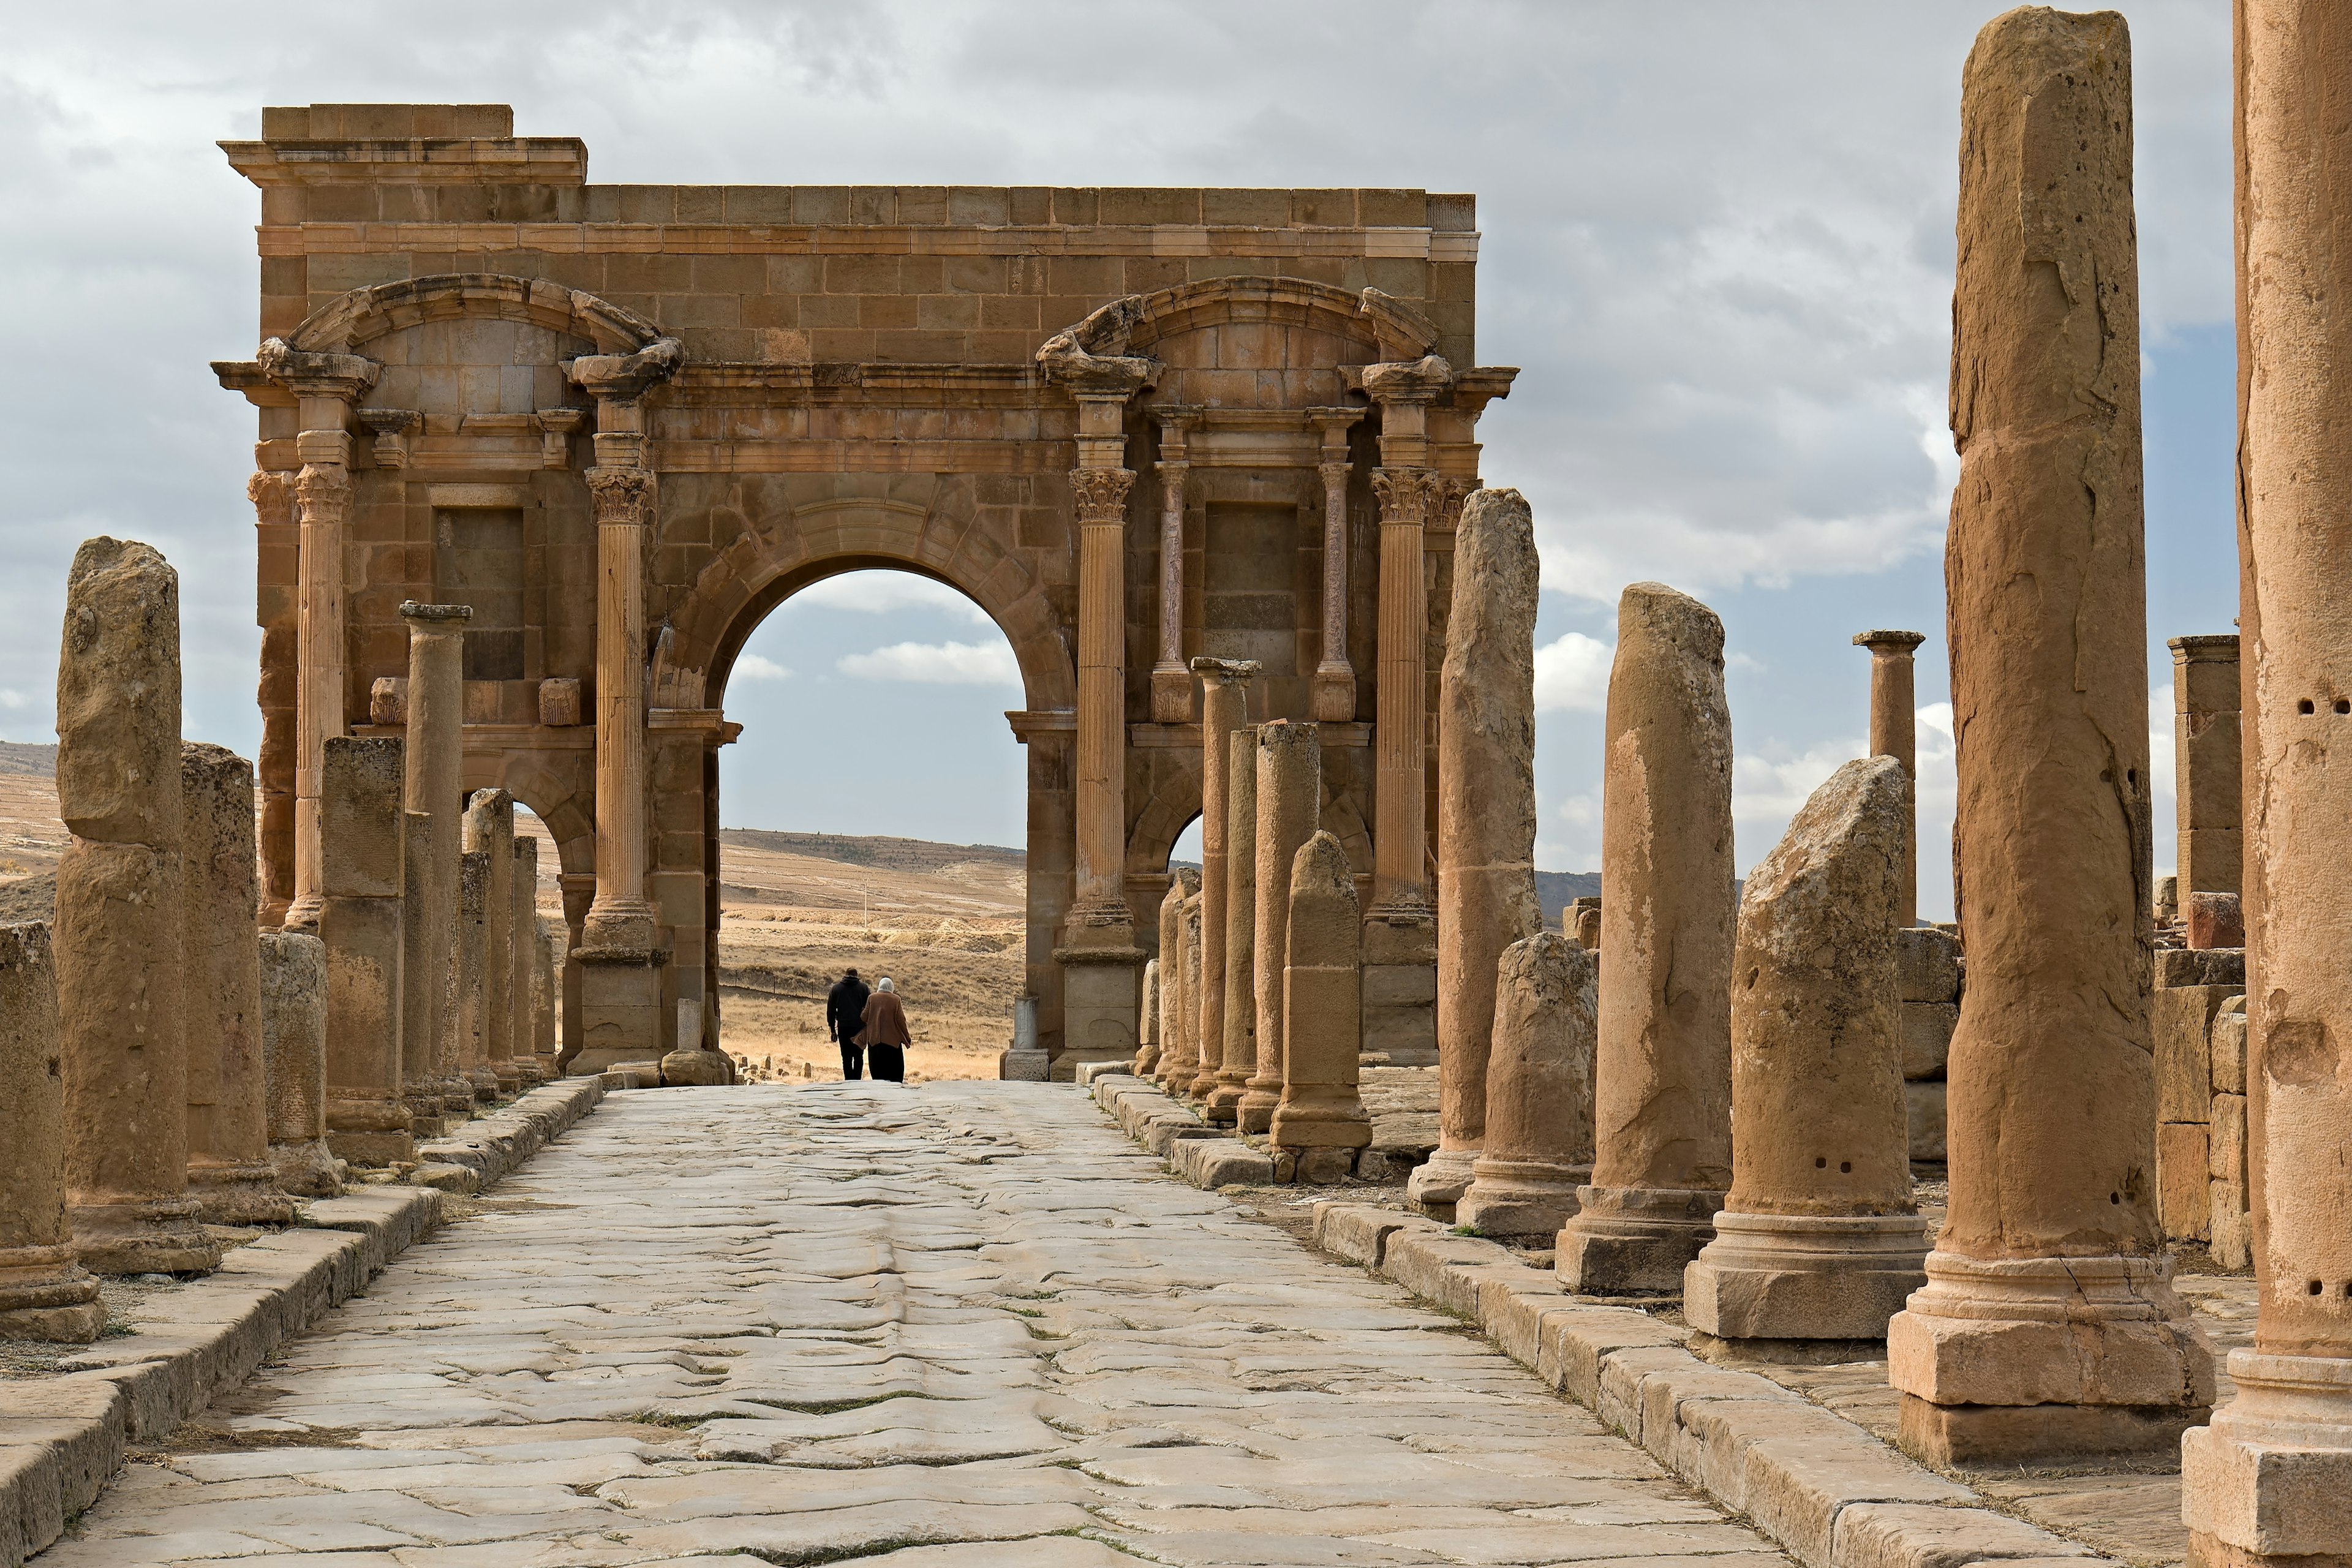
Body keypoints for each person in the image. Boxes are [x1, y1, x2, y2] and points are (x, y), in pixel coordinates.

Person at [859, 976, 911, 1084]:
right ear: (891, 987)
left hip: (875, 1041)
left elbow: (864, 1017)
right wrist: (907, 1037)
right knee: (895, 1075)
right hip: (893, 1043)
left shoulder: (872, 998)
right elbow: (901, 1020)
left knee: (878, 1074)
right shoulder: (896, 999)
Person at [825, 967, 871, 1080]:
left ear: (845, 975)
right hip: (860, 1028)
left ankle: (848, 1082)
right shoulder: (864, 988)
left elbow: (830, 1011)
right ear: (857, 976)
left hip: (843, 1027)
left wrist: (832, 1030)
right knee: (859, 1057)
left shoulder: (836, 989)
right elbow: (869, 1008)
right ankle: (857, 1082)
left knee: (846, 1058)